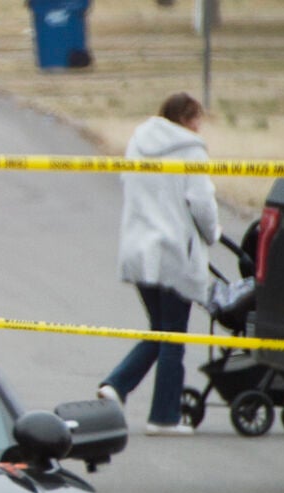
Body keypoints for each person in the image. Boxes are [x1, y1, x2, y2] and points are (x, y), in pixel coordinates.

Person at [97, 92, 220, 435]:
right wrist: (212, 234)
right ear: (186, 119)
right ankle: (163, 416)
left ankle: (117, 385)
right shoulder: (191, 148)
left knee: (160, 329)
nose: (200, 126)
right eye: (198, 119)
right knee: (172, 336)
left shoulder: (138, 141)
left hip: (139, 247)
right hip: (173, 251)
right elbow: (201, 202)